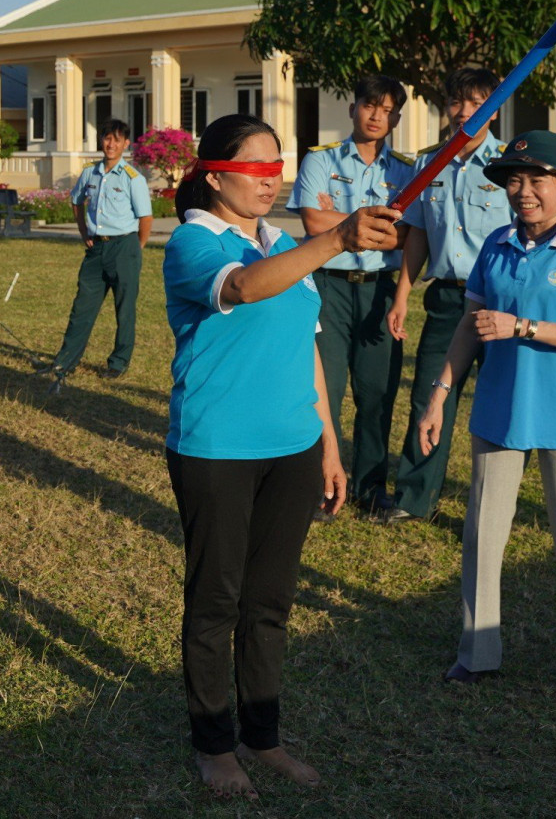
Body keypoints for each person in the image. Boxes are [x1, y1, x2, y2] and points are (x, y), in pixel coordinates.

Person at [162, 114, 399, 799]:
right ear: (214, 174)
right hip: (216, 450)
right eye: (256, 169)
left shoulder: (283, 241)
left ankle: (261, 738)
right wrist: (337, 238)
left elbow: (309, 355)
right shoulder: (192, 241)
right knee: (216, 602)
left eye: (278, 169)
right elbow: (241, 288)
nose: (271, 182)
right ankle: (214, 746)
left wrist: (329, 447)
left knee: (269, 603)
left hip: (293, 448)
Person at [417, 130, 556, 707]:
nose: (523, 191)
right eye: (514, 179)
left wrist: (525, 328)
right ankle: (477, 654)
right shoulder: (496, 244)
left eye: (538, 179)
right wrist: (441, 392)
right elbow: (470, 324)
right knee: (483, 533)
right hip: (499, 408)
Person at [379, 68, 506, 523]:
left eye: (476, 103)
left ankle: (494, 506)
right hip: (447, 301)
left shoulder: (510, 164)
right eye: (456, 102)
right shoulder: (427, 164)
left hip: (498, 304)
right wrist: (402, 296)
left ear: (494, 108)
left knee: (499, 400)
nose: (464, 112)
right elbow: (416, 236)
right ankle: (415, 500)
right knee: (431, 396)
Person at [287, 74, 414, 514]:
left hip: (379, 292)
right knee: (324, 389)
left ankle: (370, 487)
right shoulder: (320, 160)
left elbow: (409, 239)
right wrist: (378, 228)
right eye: (369, 105)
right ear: (352, 107)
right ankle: (319, 483)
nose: (377, 116)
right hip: (328, 286)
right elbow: (312, 224)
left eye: (387, 109)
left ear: (396, 116)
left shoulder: (406, 170)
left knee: (377, 392)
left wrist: (341, 221)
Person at [36, 118, 154, 393]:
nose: (110, 144)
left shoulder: (132, 177)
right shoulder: (90, 174)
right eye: (106, 138)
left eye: (116, 139)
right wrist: (84, 233)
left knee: (124, 309)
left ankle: (119, 361)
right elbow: (76, 201)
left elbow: (145, 217)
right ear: (101, 141)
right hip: (96, 249)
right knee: (82, 308)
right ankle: (65, 361)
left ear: (126, 144)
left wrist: (138, 246)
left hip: (124, 247)